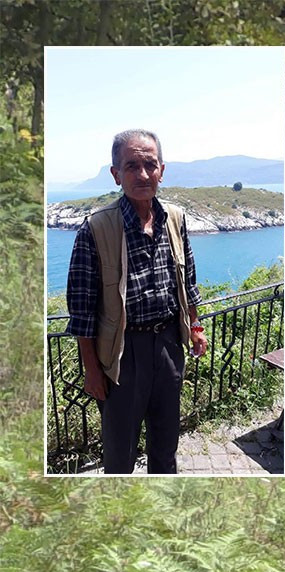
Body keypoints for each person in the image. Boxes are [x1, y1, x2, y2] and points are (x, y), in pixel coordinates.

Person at [66, 129, 207, 474]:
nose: (142, 175)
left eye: (149, 164)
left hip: (169, 346)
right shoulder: (95, 229)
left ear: (162, 169)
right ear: (116, 174)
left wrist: (196, 326)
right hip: (121, 355)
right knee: (120, 453)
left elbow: (187, 281)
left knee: (165, 445)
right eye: (132, 166)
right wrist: (91, 370)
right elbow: (82, 311)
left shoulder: (174, 218)